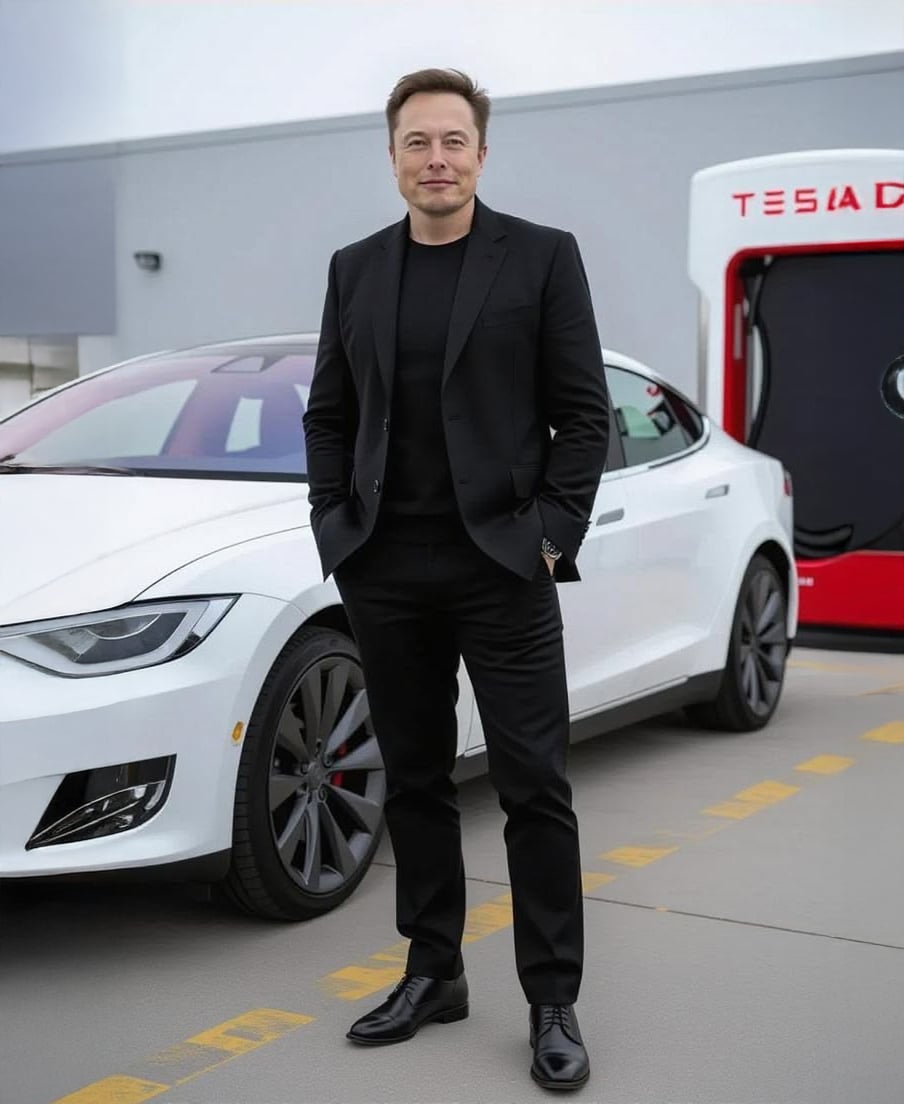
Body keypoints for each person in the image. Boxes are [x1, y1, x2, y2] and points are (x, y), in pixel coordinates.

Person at [303, 67, 609, 1092]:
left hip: (503, 568)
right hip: (386, 567)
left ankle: (552, 998)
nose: (435, 159)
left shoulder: (541, 258)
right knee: (419, 782)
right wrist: (335, 530)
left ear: (480, 152)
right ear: (390, 158)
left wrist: (551, 538)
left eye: (452, 141)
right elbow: (329, 415)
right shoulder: (354, 269)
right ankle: (433, 971)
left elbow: (584, 413)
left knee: (534, 786)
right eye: (415, 143)